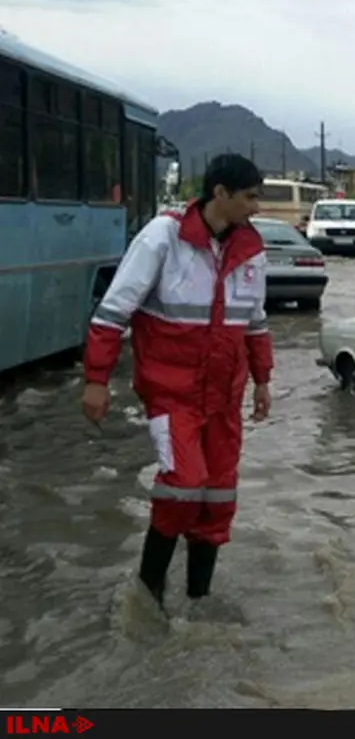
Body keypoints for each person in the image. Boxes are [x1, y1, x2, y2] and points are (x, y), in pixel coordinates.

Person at [81, 153, 273, 608]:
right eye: (250, 196)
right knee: (182, 485)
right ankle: (149, 596)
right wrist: (96, 380)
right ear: (220, 193)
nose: (257, 207)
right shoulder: (162, 238)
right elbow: (112, 313)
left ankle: (199, 602)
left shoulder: (250, 249)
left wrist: (262, 381)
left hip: (225, 397)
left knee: (218, 496)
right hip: (172, 393)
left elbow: (255, 323)